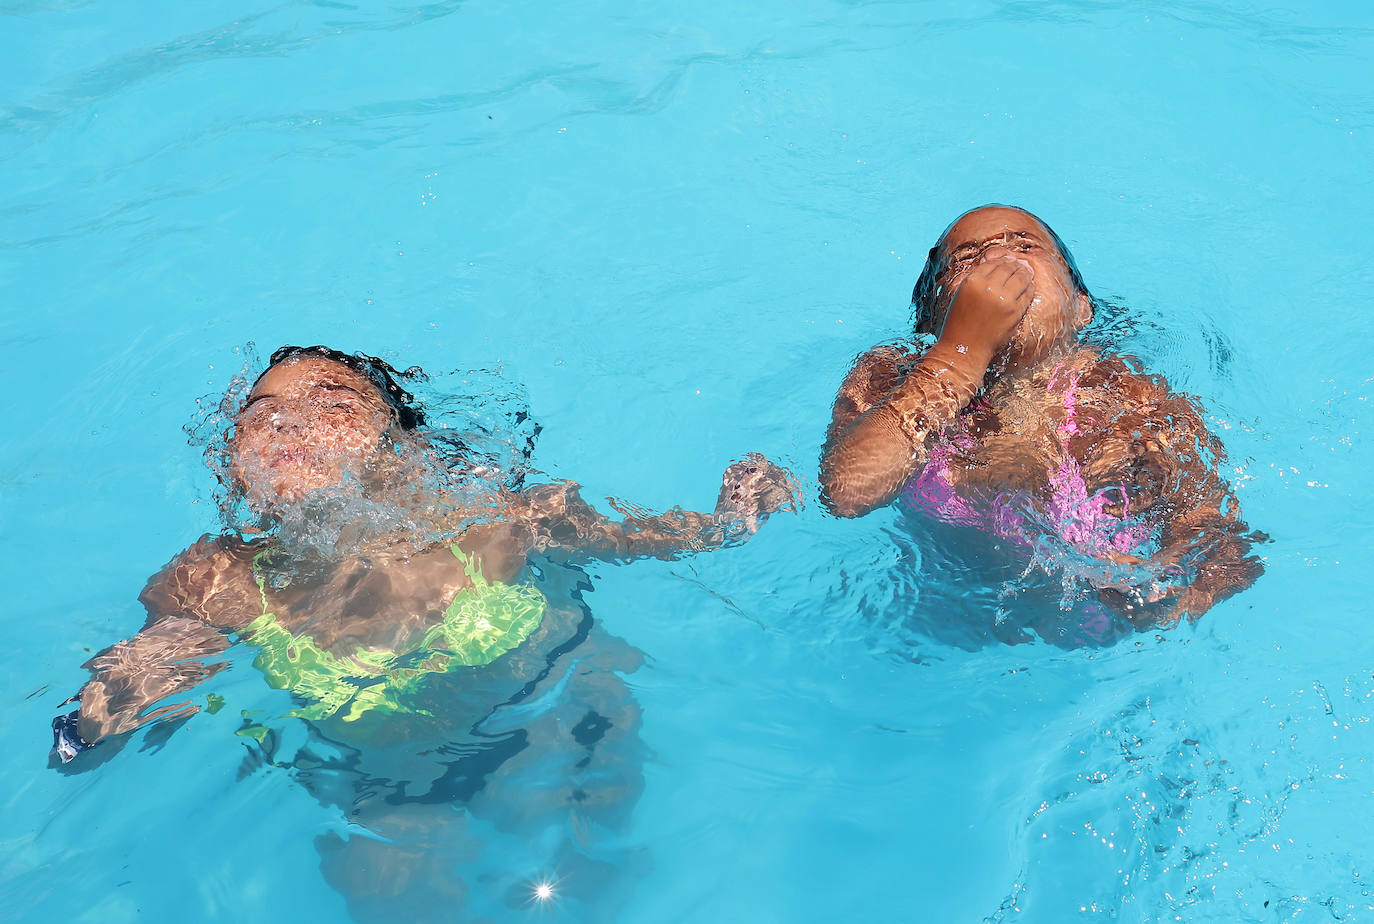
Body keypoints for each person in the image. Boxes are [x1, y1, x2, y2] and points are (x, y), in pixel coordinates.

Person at [51, 344, 794, 920]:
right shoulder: (214, 578)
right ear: (231, 462)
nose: (289, 419)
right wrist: (109, 709)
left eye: (330, 399)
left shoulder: (501, 512)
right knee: (391, 892)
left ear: (400, 441)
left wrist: (730, 517)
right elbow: (156, 660)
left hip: (558, 717)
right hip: (384, 781)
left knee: (585, 865)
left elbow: (648, 536)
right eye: (259, 410)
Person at [819, 206, 1263, 628]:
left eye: (1025, 246)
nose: (998, 259)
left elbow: (1221, 542)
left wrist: (1161, 591)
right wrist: (960, 354)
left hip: (1081, 631)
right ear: (933, 319)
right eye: (968, 257)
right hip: (926, 609)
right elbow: (847, 493)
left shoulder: (1127, 396)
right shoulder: (893, 376)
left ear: (1081, 307)